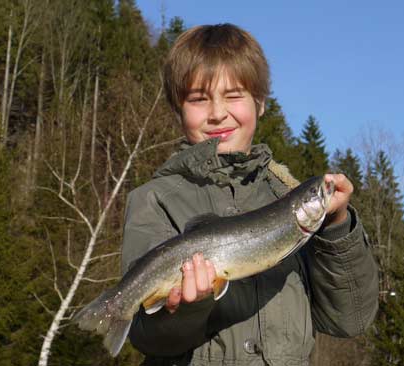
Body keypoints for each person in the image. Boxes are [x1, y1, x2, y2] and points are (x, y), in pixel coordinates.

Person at [121, 23, 378, 366]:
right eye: (199, 98)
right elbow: (151, 339)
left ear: (260, 104)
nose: (217, 113)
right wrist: (187, 306)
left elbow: (351, 320)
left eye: (233, 95)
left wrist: (336, 226)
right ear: (178, 109)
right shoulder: (152, 201)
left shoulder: (285, 195)